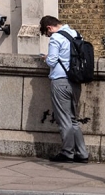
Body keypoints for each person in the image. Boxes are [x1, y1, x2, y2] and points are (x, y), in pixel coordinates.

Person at [39, 14, 88, 163]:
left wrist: (45, 58)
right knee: (73, 120)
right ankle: (82, 153)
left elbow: (52, 61)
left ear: (49, 28)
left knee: (64, 119)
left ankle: (67, 153)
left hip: (60, 82)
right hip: (75, 82)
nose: (48, 36)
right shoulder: (76, 34)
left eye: (47, 34)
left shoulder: (56, 38)